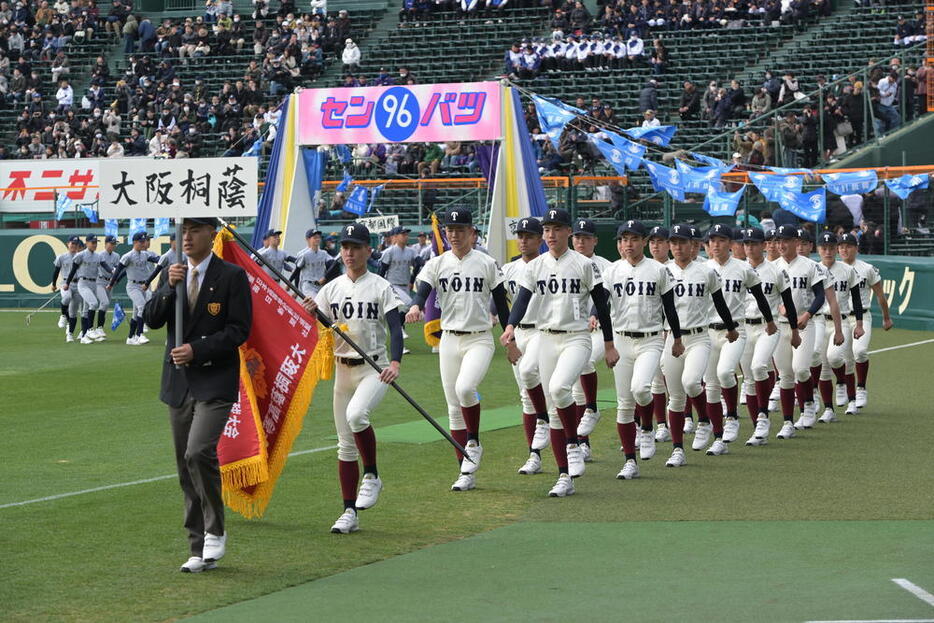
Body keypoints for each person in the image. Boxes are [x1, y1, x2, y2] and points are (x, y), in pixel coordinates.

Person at [143, 216, 252, 574]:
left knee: (198, 450)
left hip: (215, 381)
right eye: (183, 230)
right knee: (184, 466)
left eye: (194, 230)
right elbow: (152, 319)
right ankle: (197, 544)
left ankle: (215, 528)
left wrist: (198, 349)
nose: (186, 237)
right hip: (178, 383)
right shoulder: (172, 271)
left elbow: (238, 330)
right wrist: (165, 289)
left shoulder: (231, 276)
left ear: (211, 233)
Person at [501, 208, 618, 497]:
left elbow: (601, 304)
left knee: (559, 387)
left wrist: (609, 343)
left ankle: (574, 443)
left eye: (557, 229)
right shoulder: (535, 265)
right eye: (547, 230)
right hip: (545, 337)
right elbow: (522, 298)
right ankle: (564, 473)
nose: (551, 234)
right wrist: (511, 326)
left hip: (576, 338)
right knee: (553, 406)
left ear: (568, 232)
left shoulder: (583, 264)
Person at [301, 223, 404, 534]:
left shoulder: (380, 286)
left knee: (358, 415)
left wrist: (396, 362)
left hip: (374, 368)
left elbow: (395, 329)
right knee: (344, 446)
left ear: (368, 251)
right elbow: (320, 328)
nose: (349, 253)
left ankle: (371, 474)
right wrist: (310, 312)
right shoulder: (330, 290)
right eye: (345, 247)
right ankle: (349, 512)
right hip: (342, 370)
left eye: (356, 247)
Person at [405, 209, 513, 492]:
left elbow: (501, 303)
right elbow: (423, 289)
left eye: (460, 229)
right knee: (453, 409)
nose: (453, 234)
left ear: (472, 233)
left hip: (479, 338)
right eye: (450, 229)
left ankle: (474, 441)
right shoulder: (438, 262)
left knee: (466, 389)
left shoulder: (486, 263)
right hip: (449, 339)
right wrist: (416, 305)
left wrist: (509, 337)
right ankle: (465, 473)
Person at [600, 220, 683, 479]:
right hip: (622, 339)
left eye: (634, 238)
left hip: (651, 339)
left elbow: (670, 308)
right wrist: (608, 344)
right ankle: (629, 460)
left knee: (641, 389)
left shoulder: (658, 270)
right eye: (624, 239)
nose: (628, 244)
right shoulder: (612, 271)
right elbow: (602, 307)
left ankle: (647, 427)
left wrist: (677, 338)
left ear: (644, 241)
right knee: (624, 404)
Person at [660, 224, 738, 467]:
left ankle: (710, 427)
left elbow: (720, 302)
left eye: (682, 242)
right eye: (673, 242)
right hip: (672, 338)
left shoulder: (705, 271)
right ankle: (677, 449)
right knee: (675, 397)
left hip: (698, 337)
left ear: (693, 245)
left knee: (692, 382)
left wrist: (731, 327)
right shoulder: (662, 271)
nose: (677, 247)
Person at [701, 224, 776, 454]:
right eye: (712, 240)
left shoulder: (742, 268)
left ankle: (732, 416)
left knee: (726, 372)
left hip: (736, 329)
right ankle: (718, 437)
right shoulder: (702, 268)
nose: (715, 244)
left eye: (721, 239)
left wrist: (771, 321)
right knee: (711, 386)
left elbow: (760, 297)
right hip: (707, 331)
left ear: (732, 244)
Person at [771, 225, 841, 437]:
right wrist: (777, 308)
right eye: (778, 240)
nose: (781, 244)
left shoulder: (810, 266)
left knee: (801, 369)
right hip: (780, 326)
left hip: (804, 324)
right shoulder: (771, 266)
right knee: (785, 375)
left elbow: (821, 296)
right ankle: (787, 422)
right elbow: (765, 296)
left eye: (786, 240)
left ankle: (808, 404)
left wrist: (808, 314)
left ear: (795, 241)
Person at [739, 226, 799, 446]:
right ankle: (758, 429)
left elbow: (789, 303)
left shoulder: (775, 271)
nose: (750, 247)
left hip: (769, 327)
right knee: (748, 379)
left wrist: (794, 330)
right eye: (746, 243)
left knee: (759, 367)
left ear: (764, 246)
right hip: (744, 327)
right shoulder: (737, 269)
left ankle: (764, 415)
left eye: (754, 243)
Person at [501, 217, 551, 475]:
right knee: (526, 398)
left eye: (529, 236)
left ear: (540, 239)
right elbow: (500, 308)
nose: (523, 240)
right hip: (519, 332)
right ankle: (534, 455)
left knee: (554, 391)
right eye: (520, 235)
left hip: (544, 331)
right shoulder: (509, 269)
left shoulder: (547, 266)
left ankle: (576, 444)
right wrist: (508, 339)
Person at [570, 218, 612, 462]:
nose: (581, 241)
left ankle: (592, 408)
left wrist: (596, 315)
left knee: (583, 363)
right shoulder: (564, 263)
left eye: (586, 237)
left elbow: (605, 297)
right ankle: (580, 442)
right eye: (577, 237)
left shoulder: (606, 266)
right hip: (572, 331)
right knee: (572, 388)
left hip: (599, 331)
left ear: (595, 240)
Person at [813, 232, 864, 422]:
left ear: (836, 249)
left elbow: (856, 299)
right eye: (823, 248)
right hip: (818, 321)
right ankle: (829, 409)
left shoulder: (847, 270)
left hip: (841, 320)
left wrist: (858, 324)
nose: (827, 251)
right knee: (822, 364)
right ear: (817, 249)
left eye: (831, 248)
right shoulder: (813, 268)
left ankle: (846, 390)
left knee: (837, 358)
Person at [837, 232, 892, 409]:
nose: (845, 249)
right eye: (842, 246)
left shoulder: (867, 268)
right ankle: (848, 394)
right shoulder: (833, 269)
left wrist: (886, 318)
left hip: (863, 316)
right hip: (843, 318)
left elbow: (880, 296)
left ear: (856, 248)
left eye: (849, 246)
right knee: (844, 359)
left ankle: (861, 388)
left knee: (859, 351)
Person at [108, 232, 159, 345]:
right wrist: (111, 284)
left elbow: (156, 259)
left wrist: (166, 259)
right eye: (141, 241)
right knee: (142, 306)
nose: (143, 243)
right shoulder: (128, 256)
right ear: (135, 242)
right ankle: (139, 334)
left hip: (143, 286)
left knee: (136, 313)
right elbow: (118, 271)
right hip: (133, 286)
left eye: (144, 241)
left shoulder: (145, 254)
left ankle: (130, 338)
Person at [64, 235, 114, 344]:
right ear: (86, 243)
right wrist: (67, 283)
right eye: (92, 242)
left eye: (96, 242)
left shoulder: (98, 256)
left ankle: (84, 335)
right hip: (83, 283)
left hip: (94, 283)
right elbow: (73, 271)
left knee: (85, 311)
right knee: (94, 303)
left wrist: (112, 271)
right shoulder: (80, 255)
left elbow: (105, 266)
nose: (94, 244)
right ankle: (90, 329)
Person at [291, 229, 339, 297]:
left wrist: (325, 277)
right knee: (315, 304)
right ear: (308, 239)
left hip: (320, 285)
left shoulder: (323, 253)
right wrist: (295, 289)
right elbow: (297, 272)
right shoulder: (303, 254)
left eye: (318, 237)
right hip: (308, 285)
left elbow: (334, 264)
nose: (317, 239)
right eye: (315, 237)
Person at [51, 235, 82, 342]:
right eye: (72, 243)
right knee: (66, 298)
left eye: (76, 244)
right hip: (65, 283)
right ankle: (63, 315)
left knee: (73, 312)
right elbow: (56, 271)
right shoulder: (61, 257)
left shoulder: (80, 256)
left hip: (77, 284)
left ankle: (70, 334)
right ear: (67, 244)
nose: (74, 246)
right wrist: (54, 284)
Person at [94, 235, 121, 337]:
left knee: (105, 306)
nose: (113, 246)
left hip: (110, 283)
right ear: (106, 244)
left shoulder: (116, 256)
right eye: (111, 243)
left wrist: (115, 279)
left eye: (114, 244)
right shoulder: (99, 255)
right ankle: (98, 328)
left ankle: (98, 329)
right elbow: (100, 267)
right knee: (104, 303)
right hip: (99, 281)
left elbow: (117, 269)